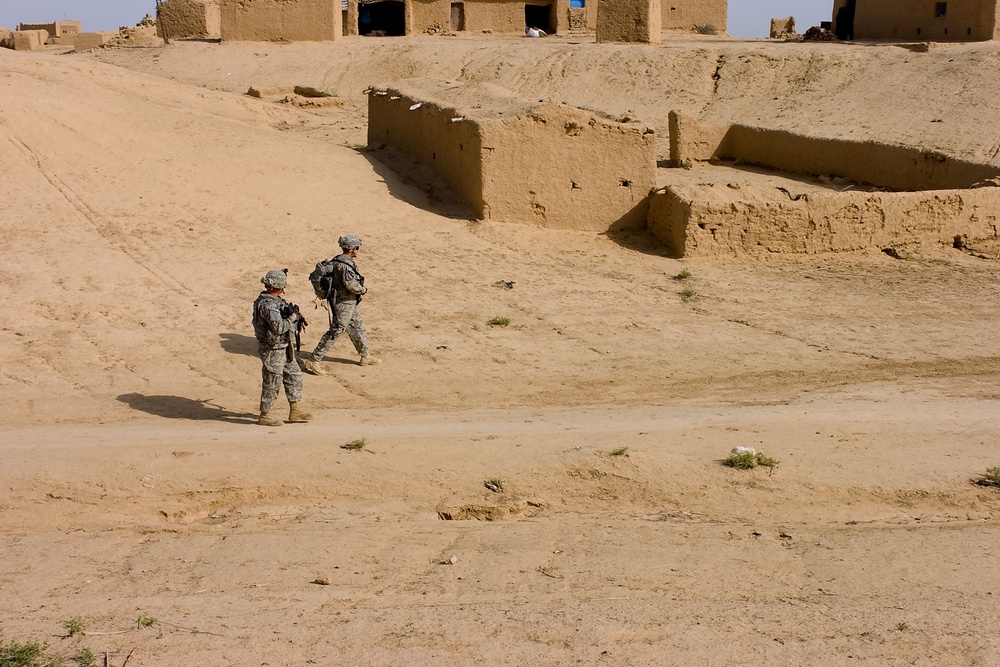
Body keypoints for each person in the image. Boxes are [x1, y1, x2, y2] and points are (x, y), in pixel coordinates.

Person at [300, 235, 381, 374]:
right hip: (343, 303)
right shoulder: (345, 265)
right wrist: (363, 290)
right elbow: (351, 285)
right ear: (351, 249)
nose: (359, 250)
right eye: (357, 248)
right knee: (336, 330)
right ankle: (314, 360)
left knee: (357, 326)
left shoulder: (338, 260)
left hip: (347, 302)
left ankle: (365, 355)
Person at [252, 269, 313, 426]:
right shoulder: (268, 305)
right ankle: (265, 414)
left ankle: (295, 411)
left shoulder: (276, 302)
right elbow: (278, 328)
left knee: (294, 375)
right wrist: (293, 318)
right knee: (272, 381)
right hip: (273, 350)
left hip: (284, 347)